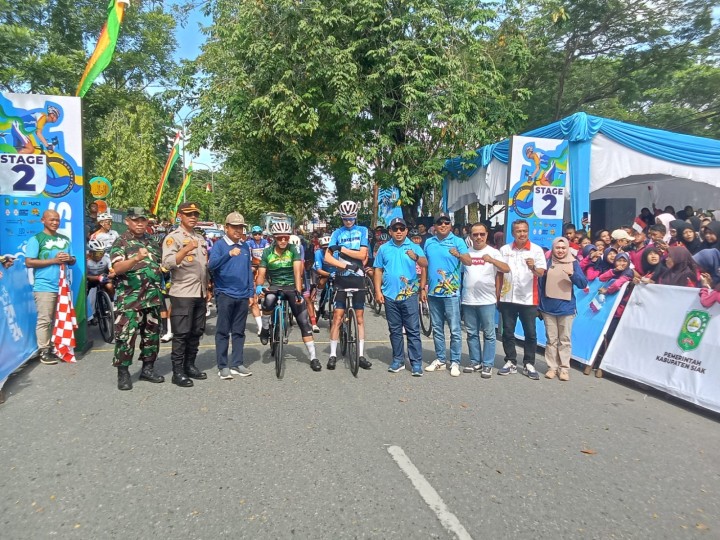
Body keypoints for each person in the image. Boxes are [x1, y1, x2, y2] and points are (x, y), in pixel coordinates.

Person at [109, 207, 164, 390]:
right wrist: (134, 259)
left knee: (151, 336)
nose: (140, 223)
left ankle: (148, 369)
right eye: (135, 220)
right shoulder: (121, 242)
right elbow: (117, 269)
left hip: (152, 298)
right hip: (129, 300)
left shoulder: (152, 241)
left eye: (143, 220)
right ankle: (123, 373)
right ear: (128, 222)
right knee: (126, 337)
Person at [256, 221, 321, 371]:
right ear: (274, 238)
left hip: (291, 286)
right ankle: (265, 328)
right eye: (280, 238)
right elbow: (262, 273)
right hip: (274, 285)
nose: (283, 240)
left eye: (286, 237)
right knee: (268, 301)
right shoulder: (267, 252)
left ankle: (313, 357)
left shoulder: (293, 249)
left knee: (303, 321)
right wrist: (259, 286)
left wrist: (298, 292)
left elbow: (298, 272)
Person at [161, 202, 210, 388]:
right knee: (181, 333)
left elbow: (204, 266)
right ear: (180, 215)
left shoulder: (200, 238)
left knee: (196, 331)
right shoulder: (173, 238)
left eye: (195, 214)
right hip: (182, 292)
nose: (193, 217)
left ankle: (190, 365)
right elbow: (166, 264)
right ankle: (178, 372)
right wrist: (185, 250)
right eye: (188, 214)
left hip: (200, 291)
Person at [373, 217, 428, 376]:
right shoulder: (384, 249)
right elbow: (378, 270)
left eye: (401, 229)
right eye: (395, 229)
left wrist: (416, 257)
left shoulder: (414, 246)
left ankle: (416, 362)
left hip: (409, 294)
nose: (398, 232)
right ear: (390, 231)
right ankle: (398, 360)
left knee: (413, 330)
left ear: (406, 231)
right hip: (390, 295)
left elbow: (425, 264)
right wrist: (377, 291)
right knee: (395, 330)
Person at [24, 209, 77, 365]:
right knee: (45, 320)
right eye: (51, 220)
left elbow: (73, 260)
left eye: (57, 220)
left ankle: (58, 347)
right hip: (44, 286)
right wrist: (53, 261)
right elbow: (29, 262)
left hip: (63, 286)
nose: (55, 222)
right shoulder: (36, 239)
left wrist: (69, 258)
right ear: (43, 220)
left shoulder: (65, 239)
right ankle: (44, 350)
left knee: (60, 318)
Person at [422, 213, 472, 376]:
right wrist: (422, 287)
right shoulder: (429, 242)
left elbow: (468, 261)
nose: (443, 225)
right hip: (433, 292)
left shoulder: (458, 241)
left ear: (450, 225)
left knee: (455, 329)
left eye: (446, 222)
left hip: (451, 292)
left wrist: (458, 254)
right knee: (437, 327)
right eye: (439, 223)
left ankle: (455, 361)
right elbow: (424, 265)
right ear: (434, 226)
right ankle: (441, 359)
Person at [324, 201, 372, 371]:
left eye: (351, 218)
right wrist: (344, 266)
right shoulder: (337, 232)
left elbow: (362, 253)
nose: (348, 221)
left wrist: (342, 249)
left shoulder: (363, 231)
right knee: (337, 317)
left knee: (359, 318)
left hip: (358, 277)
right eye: (345, 219)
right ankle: (332, 354)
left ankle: (360, 355)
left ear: (355, 216)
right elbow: (327, 258)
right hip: (342, 277)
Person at [497, 219, 547, 380]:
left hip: (528, 299)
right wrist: (497, 294)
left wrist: (532, 267)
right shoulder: (505, 250)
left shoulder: (536, 250)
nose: (522, 234)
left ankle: (528, 363)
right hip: (508, 297)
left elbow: (541, 273)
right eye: (518, 231)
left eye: (525, 230)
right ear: (513, 233)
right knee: (508, 332)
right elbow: (499, 272)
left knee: (530, 333)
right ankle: (510, 361)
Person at [209, 212, 254, 380]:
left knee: (239, 331)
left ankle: (237, 363)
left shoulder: (245, 246)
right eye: (234, 227)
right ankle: (222, 366)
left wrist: (251, 292)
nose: (238, 230)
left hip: (242, 295)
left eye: (240, 227)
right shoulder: (219, 245)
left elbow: (248, 270)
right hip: (225, 293)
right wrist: (228, 255)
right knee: (222, 331)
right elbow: (211, 265)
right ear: (226, 227)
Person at [461, 222, 509, 378]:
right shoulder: (466, 252)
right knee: (472, 333)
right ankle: (475, 361)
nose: (479, 237)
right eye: (475, 234)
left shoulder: (493, 252)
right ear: (470, 236)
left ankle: (488, 364)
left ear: (487, 235)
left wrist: (492, 260)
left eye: (482, 234)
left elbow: (506, 268)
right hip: (468, 300)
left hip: (487, 300)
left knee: (489, 334)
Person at [538, 238, 587, 381]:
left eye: (563, 248)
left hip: (566, 308)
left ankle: (564, 368)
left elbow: (583, 283)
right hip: (548, 308)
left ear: (567, 249)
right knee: (551, 340)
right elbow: (540, 286)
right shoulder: (547, 263)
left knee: (564, 340)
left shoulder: (573, 263)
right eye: (557, 248)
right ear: (553, 249)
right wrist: (539, 306)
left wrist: (573, 275)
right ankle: (551, 367)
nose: (560, 250)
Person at [247, 225, 270, 334]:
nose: (257, 236)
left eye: (259, 233)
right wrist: (250, 265)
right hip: (254, 267)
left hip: (265, 266)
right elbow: (249, 256)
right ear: (252, 235)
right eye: (255, 234)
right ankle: (260, 326)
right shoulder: (249, 243)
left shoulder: (265, 242)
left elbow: (268, 254)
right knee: (254, 297)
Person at [86, 238, 115, 324]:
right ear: (91, 253)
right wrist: (97, 278)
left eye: (102, 253)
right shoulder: (86, 260)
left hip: (103, 277)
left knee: (110, 286)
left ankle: (112, 304)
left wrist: (112, 274)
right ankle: (89, 315)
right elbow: (85, 275)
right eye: (98, 253)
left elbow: (111, 270)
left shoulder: (106, 258)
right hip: (91, 278)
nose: (100, 255)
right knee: (84, 293)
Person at [312, 234, 335, 318]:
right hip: (320, 271)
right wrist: (329, 274)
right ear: (321, 248)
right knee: (322, 281)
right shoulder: (318, 253)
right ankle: (317, 298)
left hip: (334, 272)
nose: (327, 250)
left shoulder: (336, 254)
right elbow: (319, 270)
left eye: (329, 248)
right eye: (325, 248)